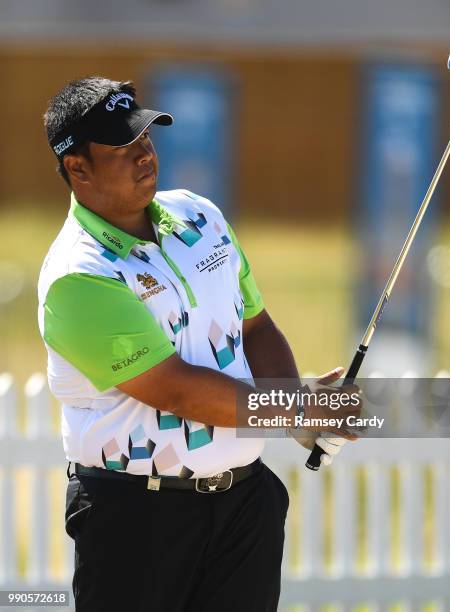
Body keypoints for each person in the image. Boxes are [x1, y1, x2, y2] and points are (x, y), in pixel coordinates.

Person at [38, 76, 359, 612]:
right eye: (123, 147)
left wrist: (300, 414)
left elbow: (255, 326)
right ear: (77, 168)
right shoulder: (78, 275)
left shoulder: (200, 216)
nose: (145, 155)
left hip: (244, 506)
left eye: (146, 139)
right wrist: (294, 408)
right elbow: (176, 391)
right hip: (137, 522)